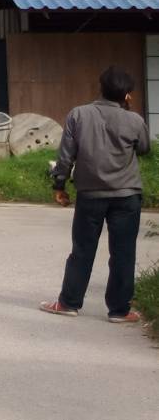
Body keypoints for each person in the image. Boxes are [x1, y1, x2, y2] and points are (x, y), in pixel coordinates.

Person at [40, 66, 150, 322]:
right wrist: (127, 113)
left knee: (82, 250)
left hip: (90, 195)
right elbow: (143, 148)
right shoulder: (134, 120)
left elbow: (65, 156)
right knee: (123, 252)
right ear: (127, 95)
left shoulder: (79, 114)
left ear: (100, 88)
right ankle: (120, 311)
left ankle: (68, 303)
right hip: (127, 195)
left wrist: (59, 186)